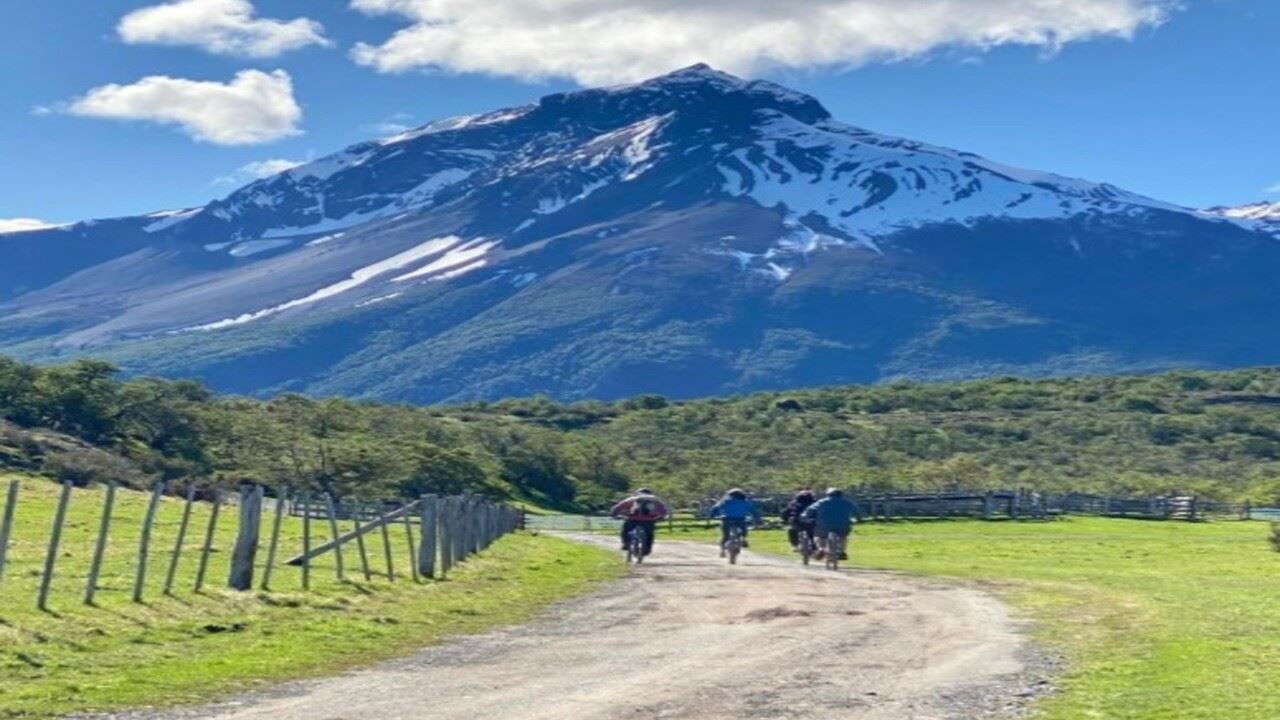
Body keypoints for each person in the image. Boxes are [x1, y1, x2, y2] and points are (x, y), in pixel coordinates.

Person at [802, 487, 859, 560]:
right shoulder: (847, 502)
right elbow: (857, 512)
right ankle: (841, 551)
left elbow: (809, 510)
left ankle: (821, 548)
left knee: (819, 536)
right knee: (843, 537)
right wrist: (858, 519)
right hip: (842, 526)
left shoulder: (821, 502)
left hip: (823, 526)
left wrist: (805, 517)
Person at [610, 488, 668, 557]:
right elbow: (663, 511)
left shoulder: (633, 499)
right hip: (648, 521)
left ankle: (625, 544)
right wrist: (660, 517)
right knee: (650, 534)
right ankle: (647, 549)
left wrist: (614, 514)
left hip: (632, 519)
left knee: (625, 530)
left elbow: (618, 507)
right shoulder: (654, 500)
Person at [708, 488, 762, 557]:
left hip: (727, 519)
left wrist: (712, 515)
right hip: (740, 520)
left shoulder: (725, 501)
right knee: (744, 531)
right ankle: (744, 539)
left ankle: (722, 551)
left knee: (725, 536)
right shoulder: (745, 502)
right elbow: (754, 511)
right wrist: (758, 518)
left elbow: (715, 508)